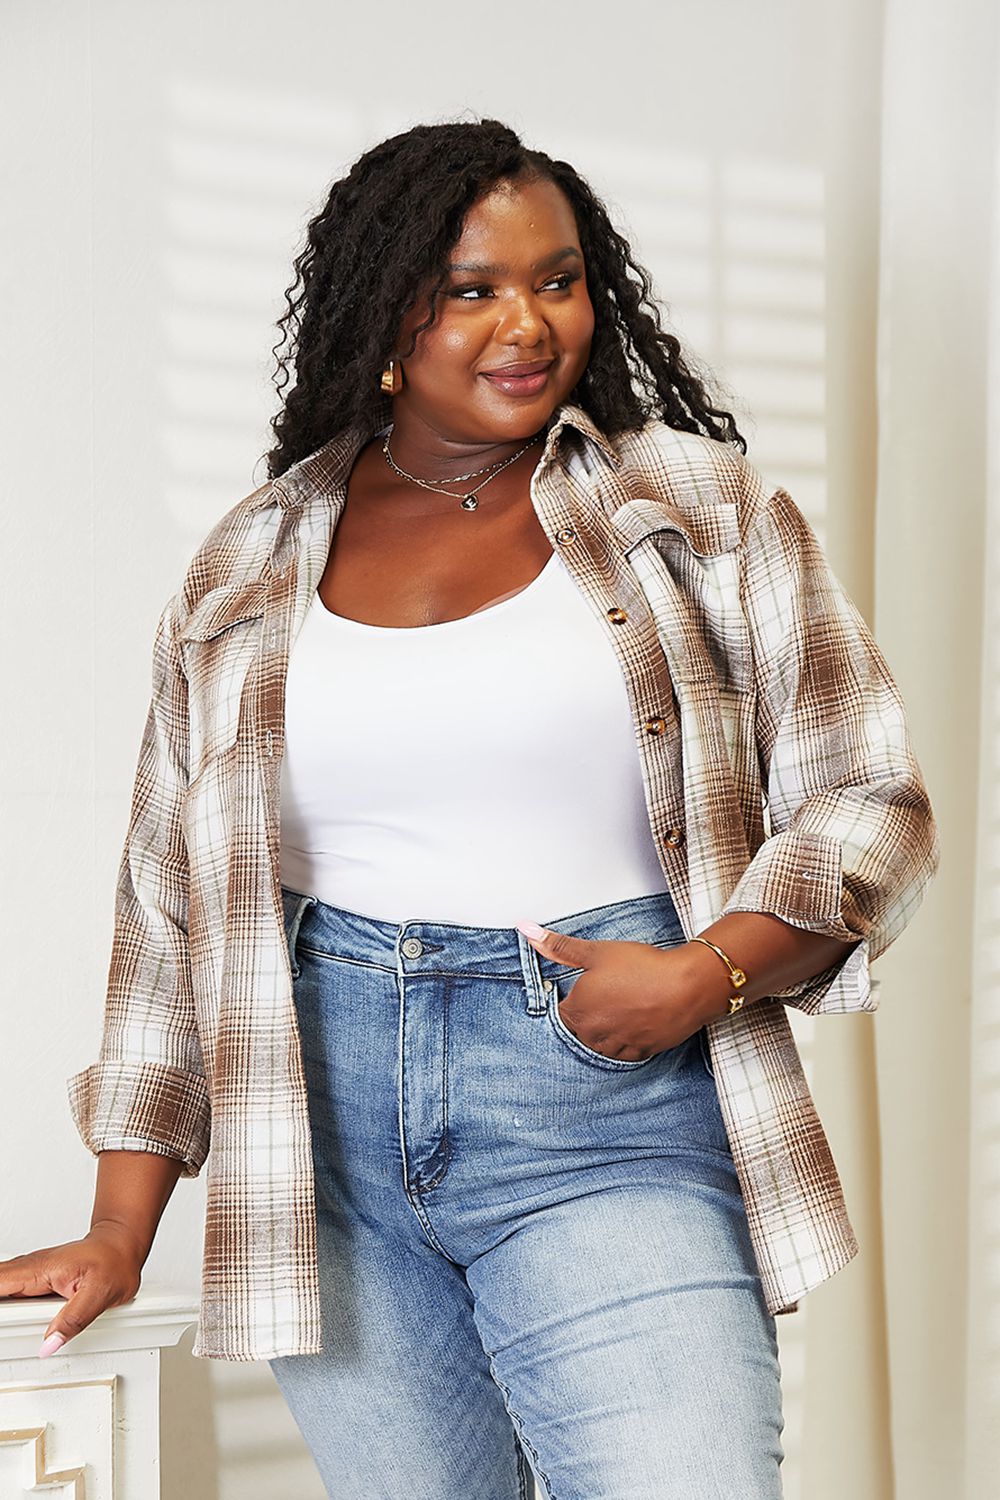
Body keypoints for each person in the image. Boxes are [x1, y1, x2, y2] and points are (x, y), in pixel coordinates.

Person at [0, 118, 939, 1498]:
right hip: (327, 1148)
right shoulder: (250, 562)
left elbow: (872, 796)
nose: (529, 325)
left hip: (602, 1104)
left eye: (557, 280)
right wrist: (119, 1228)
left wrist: (705, 972)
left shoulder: (689, 508)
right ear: (385, 316)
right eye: (471, 289)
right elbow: (165, 908)